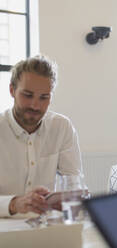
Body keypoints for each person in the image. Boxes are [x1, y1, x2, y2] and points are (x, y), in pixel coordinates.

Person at [0, 55, 83, 217]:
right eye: (27, 95)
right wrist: (15, 203)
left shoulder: (61, 126)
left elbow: (74, 184)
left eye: (44, 97)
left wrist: (66, 200)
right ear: (12, 90)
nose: (35, 105)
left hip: (45, 224)